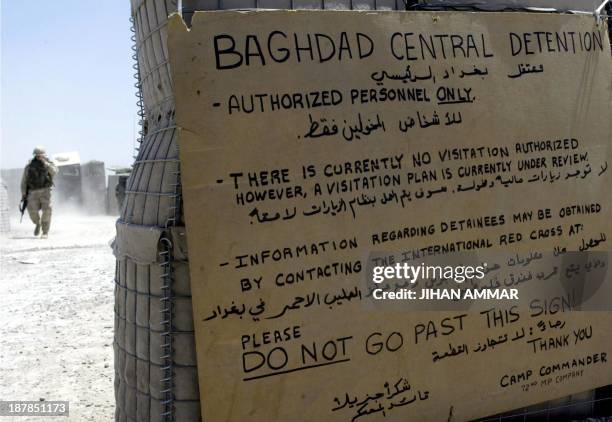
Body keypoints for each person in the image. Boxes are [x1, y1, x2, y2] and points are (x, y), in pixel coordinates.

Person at [20, 146, 58, 238]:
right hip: (32, 192)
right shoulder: (29, 166)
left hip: (45, 191)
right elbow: (24, 180)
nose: (38, 157)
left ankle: (45, 232)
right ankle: (37, 223)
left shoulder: (48, 163)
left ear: (44, 155)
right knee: (32, 212)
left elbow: (55, 171)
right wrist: (23, 193)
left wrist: (46, 164)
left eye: (40, 155)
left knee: (47, 211)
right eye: (37, 155)